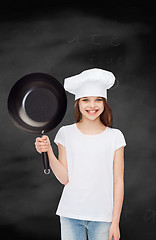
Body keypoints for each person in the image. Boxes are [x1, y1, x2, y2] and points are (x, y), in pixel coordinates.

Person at [35, 68, 127, 240]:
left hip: (103, 217)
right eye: (86, 100)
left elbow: (118, 182)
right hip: (70, 213)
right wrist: (48, 152)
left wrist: (115, 222)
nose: (92, 106)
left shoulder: (115, 137)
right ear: (78, 103)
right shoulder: (65, 133)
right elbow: (64, 178)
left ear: (104, 103)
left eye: (98, 100)